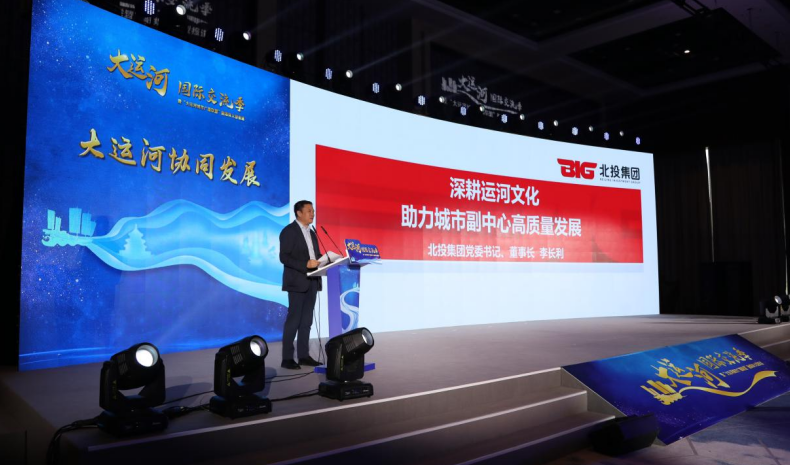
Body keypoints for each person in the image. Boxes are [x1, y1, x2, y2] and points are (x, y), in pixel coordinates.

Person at [279, 200, 322, 369]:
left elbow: (315, 255)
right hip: (297, 282)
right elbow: (284, 257)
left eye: (313, 211)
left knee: (306, 321)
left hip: (312, 280)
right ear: (299, 213)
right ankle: (287, 358)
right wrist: (305, 264)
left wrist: (327, 260)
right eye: (309, 211)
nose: (313, 214)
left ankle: (303, 356)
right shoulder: (289, 231)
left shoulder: (312, 232)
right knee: (294, 320)